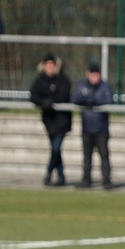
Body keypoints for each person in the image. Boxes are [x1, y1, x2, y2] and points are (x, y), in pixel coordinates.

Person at [29, 52, 72, 187]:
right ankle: (61, 177)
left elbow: (63, 95)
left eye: (52, 65)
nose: (49, 67)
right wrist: (44, 102)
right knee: (55, 150)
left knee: (55, 148)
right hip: (49, 121)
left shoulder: (63, 79)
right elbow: (33, 96)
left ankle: (48, 173)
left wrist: (50, 100)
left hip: (62, 121)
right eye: (47, 65)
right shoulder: (40, 80)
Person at [71, 60, 113, 189]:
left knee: (104, 154)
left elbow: (109, 101)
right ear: (88, 74)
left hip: (101, 128)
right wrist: (86, 99)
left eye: (96, 74)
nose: (94, 76)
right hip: (87, 127)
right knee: (87, 155)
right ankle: (86, 179)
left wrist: (93, 99)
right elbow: (74, 99)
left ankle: (106, 180)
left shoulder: (105, 86)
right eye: (92, 73)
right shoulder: (82, 85)